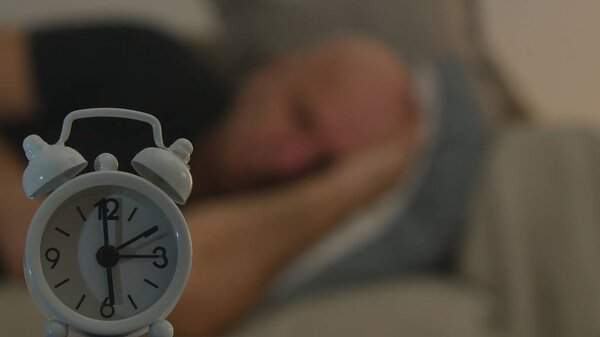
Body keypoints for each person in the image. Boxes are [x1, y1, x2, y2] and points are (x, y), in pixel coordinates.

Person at [0, 23, 482, 335]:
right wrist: (25, 218)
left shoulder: (261, 238)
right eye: (300, 117)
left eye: (323, 164)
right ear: (270, 74)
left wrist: (341, 192)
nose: (290, 161)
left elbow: (150, 306)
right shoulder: (148, 66)